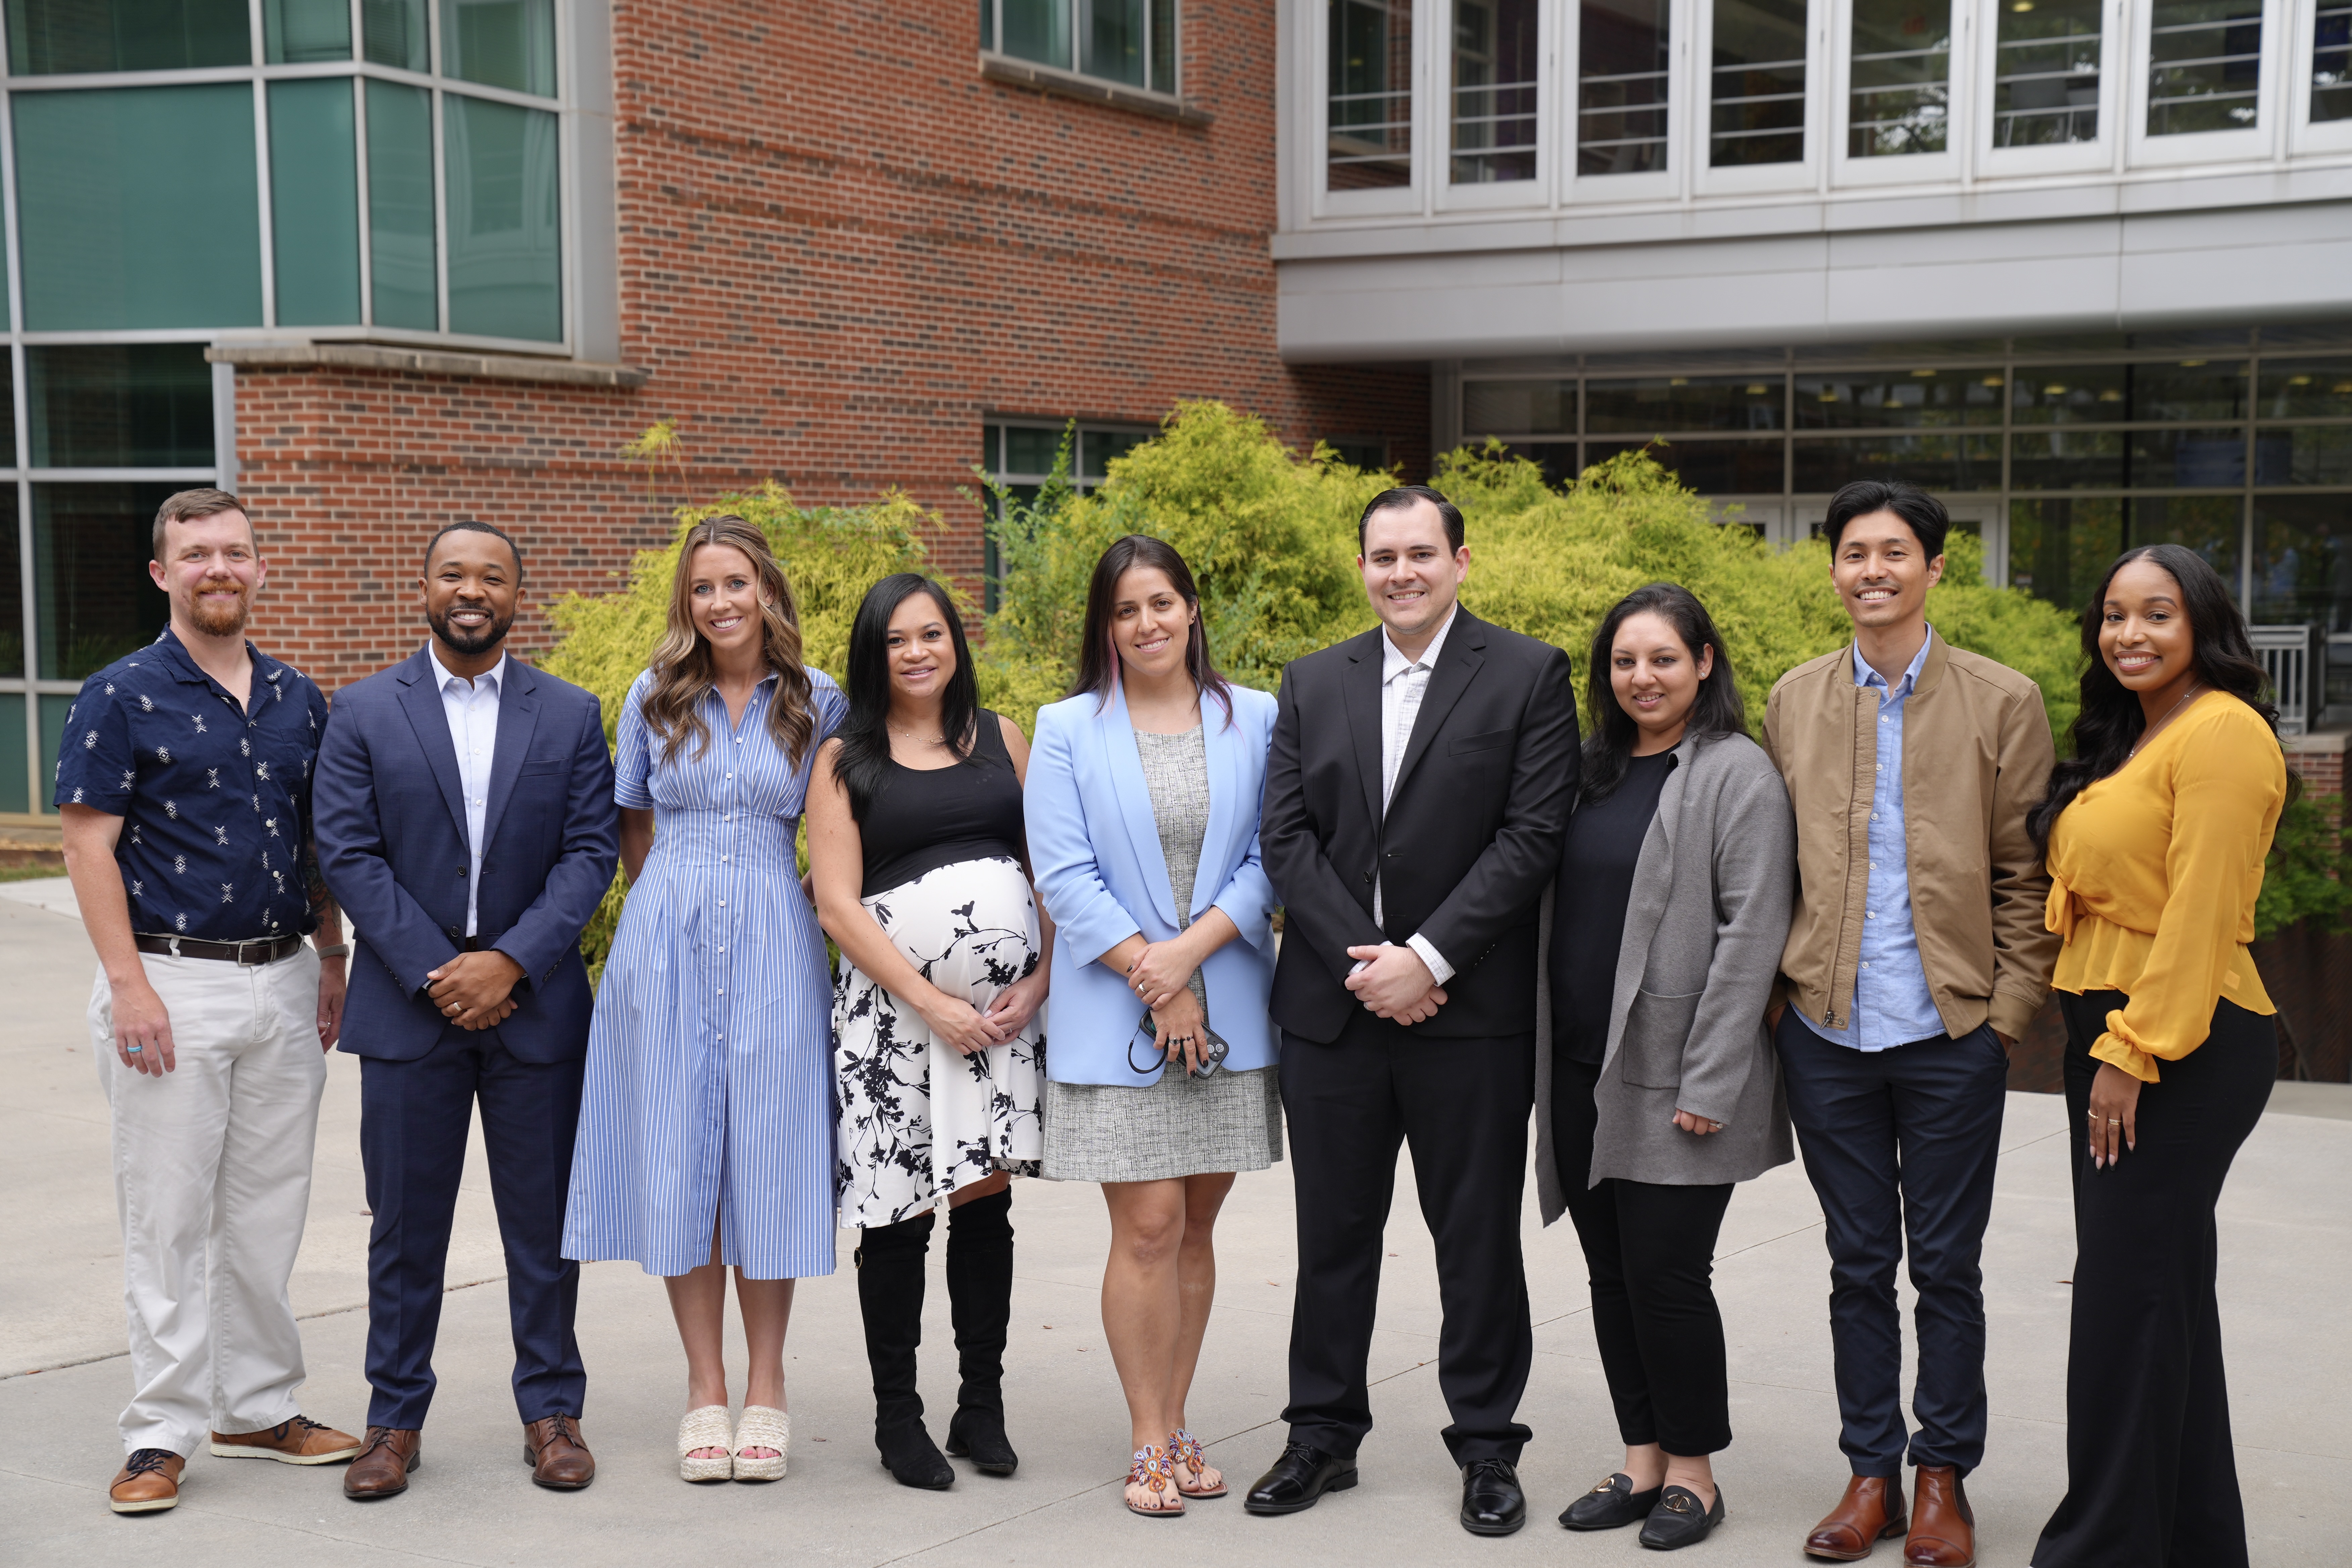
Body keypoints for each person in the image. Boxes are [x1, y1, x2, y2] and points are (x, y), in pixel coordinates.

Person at [1247, 485, 1579, 1536]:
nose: (1402, 573)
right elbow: (1286, 836)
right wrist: (1371, 964)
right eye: (1383, 556)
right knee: (1332, 1238)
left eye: (1421, 554)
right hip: (1336, 1015)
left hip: (1468, 1015)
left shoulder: (1528, 674)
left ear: (1461, 561)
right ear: (1363, 569)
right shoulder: (1311, 681)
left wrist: (1428, 957)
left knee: (1474, 1239)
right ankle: (1321, 1436)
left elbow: (1532, 836)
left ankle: (1487, 1447)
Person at [1762, 479, 2061, 1566]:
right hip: (1826, 1031)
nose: (1872, 570)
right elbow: (1767, 870)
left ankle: (1945, 1478)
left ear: (1936, 568)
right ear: (1834, 568)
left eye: (1894, 552)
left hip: (1950, 1037)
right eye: (1853, 553)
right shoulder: (1793, 699)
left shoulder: (2003, 699)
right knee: (1854, 1264)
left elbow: (2032, 878)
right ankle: (1870, 1477)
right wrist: (1776, 1011)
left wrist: (2005, 1020)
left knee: (1945, 1267)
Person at [57, 487, 359, 1516]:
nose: (218, 569)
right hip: (169, 980)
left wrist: (329, 954)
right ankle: (159, 1433)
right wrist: (129, 985)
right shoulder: (119, 693)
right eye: (196, 556)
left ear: (259, 567)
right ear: (163, 574)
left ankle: (258, 1406)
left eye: (234, 551)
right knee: (169, 1216)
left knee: (268, 1211)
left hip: (282, 977)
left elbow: (314, 843)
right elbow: (87, 844)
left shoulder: (298, 698)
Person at [314, 519, 619, 1501]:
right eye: (454, 573)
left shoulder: (570, 714)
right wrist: (440, 970)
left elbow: (590, 853)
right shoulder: (361, 710)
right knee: (406, 1230)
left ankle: (554, 1413)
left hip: (535, 1013)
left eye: (492, 576)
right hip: (409, 1015)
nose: (472, 589)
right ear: (426, 587)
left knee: (543, 1229)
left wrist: (511, 964)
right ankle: (393, 1421)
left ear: (516, 597)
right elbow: (347, 852)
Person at [561, 515, 841, 1485]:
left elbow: (842, 835)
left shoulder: (819, 703)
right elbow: (632, 820)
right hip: (665, 943)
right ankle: (704, 1388)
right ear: (687, 603)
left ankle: (768, 1389)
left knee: (764, 1157)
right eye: (702, 588)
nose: (719, 602)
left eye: (736, 583)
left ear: (768, 590)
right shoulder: (653, 695)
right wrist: (663, 914)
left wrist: (794, 900)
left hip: (775, 942)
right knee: (684, 1155)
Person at [2027, 545, 2288, 1568]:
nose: (2130, 634)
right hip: (2118, 1024)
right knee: (2158, 1292)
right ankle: (2193, 1543)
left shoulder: (2224, 733)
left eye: (2158, 615)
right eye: (2114, 616)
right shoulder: (2140, 736)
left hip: (2175, 1039)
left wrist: (2133, 1052)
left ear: (2203, 625)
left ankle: (2099, 1549)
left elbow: (2201, 911)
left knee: (2127, 1300)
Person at [1024, 536, 1283, 1518]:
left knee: (1198, 1228)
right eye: (1127, 610)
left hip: (1230, 1012)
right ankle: (1143, 1437)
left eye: (1163, 603)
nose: (1147, 625)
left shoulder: (1254, 716)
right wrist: (1154, 973)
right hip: (1114, 1014)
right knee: (1148, 1227)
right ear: (1106, 625)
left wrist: (1192, 956)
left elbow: (1272, 852)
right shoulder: (1066, 728)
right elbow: (1062, 872)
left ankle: (1179, 1422)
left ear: (1192, 608)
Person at [1534, 585, 1797, 1551]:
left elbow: (1753, 934)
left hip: (1679, 1072)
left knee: (1668, 1277)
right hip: (1576, 1067)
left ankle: (1695, 1475)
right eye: (1624, 662)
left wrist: (1712, 1080)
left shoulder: (1738, 774)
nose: (1642, 678)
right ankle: (1642, 1461)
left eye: (1663, 660)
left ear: (1705, 663)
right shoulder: (1591, 772)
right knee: (1611, 1276)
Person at [808, 572, 1048, 1489]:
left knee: (984, 1205)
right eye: (898, 639)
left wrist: (1042, 978)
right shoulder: (844, 759)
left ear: (957, 642)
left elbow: (1047, 869)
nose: (917, 652)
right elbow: (837, 904)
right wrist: (930, 998)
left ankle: (979, 1407)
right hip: (894, 1023)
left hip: (998, 1024)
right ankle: (897, 1417)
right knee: (899, 1214)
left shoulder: (1004, 740)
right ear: (876, 654)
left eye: (932, 634)